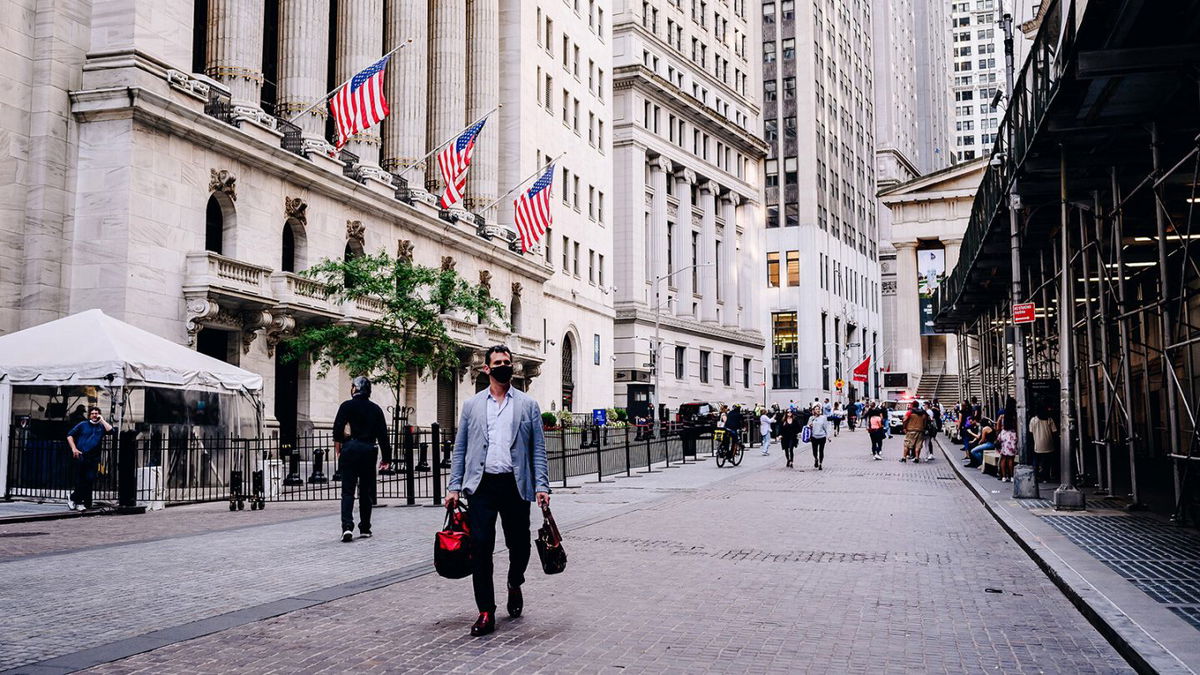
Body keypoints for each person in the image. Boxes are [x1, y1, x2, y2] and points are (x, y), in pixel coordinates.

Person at [446, 345, 550, 637]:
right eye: (498, 363)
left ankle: (514, 581)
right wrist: (454, 486)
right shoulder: (472, 405)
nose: (504, 366)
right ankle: (485, 611)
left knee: (521, 545)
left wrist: (541, 485)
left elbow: (537, 449)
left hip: (515, 485)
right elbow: (461, 449)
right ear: (487, 369)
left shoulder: (527, 405)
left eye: (507, 362)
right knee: (481, 547)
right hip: (481, 486)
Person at [332, 376, 391, 542]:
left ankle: (347, 527)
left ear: (354, 389)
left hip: (350, 449)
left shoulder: (346, 406)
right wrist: (386, 458)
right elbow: (383, 436)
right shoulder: (376, 409)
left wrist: (340, 445)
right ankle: (365, 527)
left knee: (348, 491)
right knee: (366, 491)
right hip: (368, 450)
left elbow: (337, 429)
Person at [65, 406, 113, 511]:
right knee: (81, 480)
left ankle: (73, 498)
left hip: (94, 457)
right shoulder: (83, 424)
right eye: (92, 413)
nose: (94, 415)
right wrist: (74, 448)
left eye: (96, 413)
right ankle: (78, 502)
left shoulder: (101, 426)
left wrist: (102, 420)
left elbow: (111, 431)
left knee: (89, 480)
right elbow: (69, 435)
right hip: (81, 455)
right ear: (89, 415)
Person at [1029, 407, 1059, 482]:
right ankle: (1045, 477)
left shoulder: (1033, 420)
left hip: (1037, 444)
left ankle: (1036, 476)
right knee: (1047, 462)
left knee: (1036, 461)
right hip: (1049, 444)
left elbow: (1031, 432)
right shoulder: (1049, 419)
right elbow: (1054, 431)